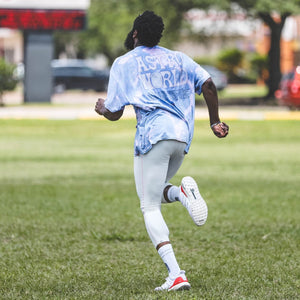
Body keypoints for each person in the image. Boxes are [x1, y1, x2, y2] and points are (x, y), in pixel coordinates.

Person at [95, 11, 229, 292]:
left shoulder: (124, 63)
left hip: (153, 136)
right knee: (153, 192)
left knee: (148, 204)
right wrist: (214, 121)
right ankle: (181, 193)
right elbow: (208, 84)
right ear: (159, 35)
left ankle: (176, 274)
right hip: (181, 138)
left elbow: (115, 113)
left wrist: (102, 108)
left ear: (135, 34)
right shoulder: (178, 58)